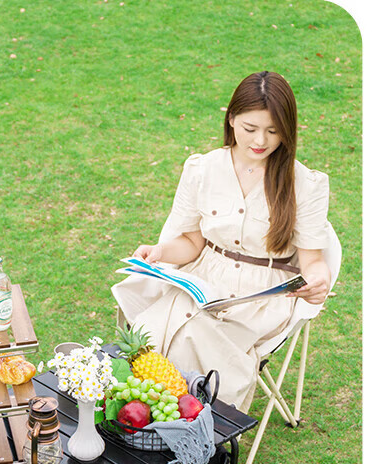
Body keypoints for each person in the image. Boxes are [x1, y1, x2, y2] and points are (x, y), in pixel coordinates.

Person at [112, 71, 331, 413]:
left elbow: (313, 260)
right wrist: (160, 251)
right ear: (231, 119)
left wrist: (319, 280)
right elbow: (191, 242)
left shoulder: (305, 184)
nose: (261, 140)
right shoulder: (203, 168)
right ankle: (144, 425)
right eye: (250, 128)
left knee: (191, 334)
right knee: (146, 333)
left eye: (274, 131)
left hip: (261, 295)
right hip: (204, 278)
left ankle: (198, 430)